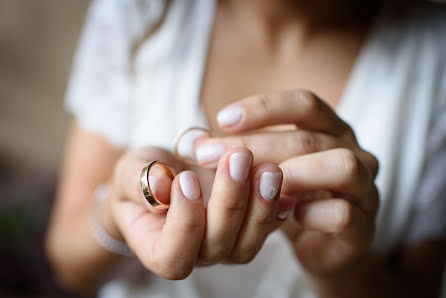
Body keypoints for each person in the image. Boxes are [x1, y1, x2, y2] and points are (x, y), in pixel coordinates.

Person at [46, 0, 446, 297]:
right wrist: (117, 210)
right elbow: (68, 265)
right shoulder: (143, 10)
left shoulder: (435, 57)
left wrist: (343, 269)